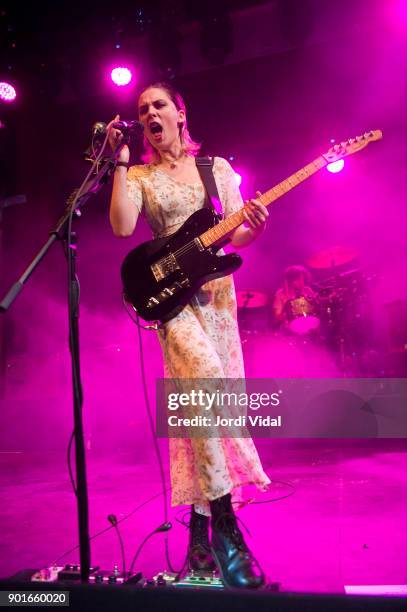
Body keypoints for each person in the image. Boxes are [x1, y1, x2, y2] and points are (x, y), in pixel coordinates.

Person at [108, 82, 270, 588]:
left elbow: (236, 232)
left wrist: (256, 227)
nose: (150, 113)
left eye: (159, 105)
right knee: (204, 383)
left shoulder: (216, 169)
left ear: (181, 114)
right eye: (142, 110)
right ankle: (226, 528)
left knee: (208, 409)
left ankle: (199, 535)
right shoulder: (139, 175)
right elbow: (120, 227)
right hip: (173, 300)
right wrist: (118, 162)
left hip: (217, 299)